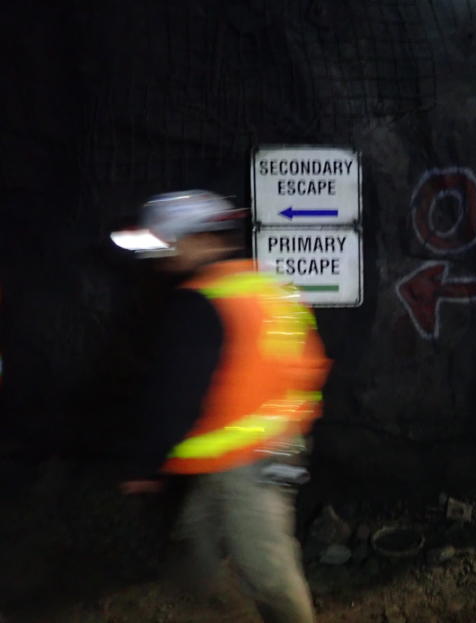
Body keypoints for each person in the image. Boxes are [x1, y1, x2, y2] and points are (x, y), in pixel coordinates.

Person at [113, 190, 331, 623]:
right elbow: (312, 362)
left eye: (170, 244)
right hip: (277, 445)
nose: (165, 256)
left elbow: (174, 392)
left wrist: (147, 463)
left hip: (239, 460)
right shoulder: (270, 285)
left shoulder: (199, 300)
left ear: (198, 240)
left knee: (266, 568)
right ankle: (214, 601)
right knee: (196, 537)